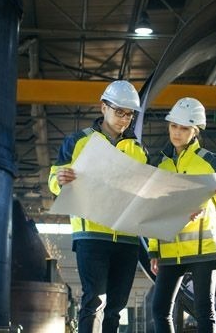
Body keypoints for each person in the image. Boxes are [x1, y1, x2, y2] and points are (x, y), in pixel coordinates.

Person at [48, 80, 148, 333]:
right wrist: (60, 181)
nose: (125, 119)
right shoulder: (78, 142)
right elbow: (54, 179)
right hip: (92, 235)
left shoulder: (138, 150)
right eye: (119, 112)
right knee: (95, 301)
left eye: (129, 114)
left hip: (127, 238)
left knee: (116, 307)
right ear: (103, 107)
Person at [148, 97, 216, 333]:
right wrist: (154, 250)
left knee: (204, 310)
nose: (177, 132)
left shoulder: (210, 162)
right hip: (169, 247)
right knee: (159, 309)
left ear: (196, 131)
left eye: (184, 128)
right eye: (174, 126)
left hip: (202, 248)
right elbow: (154, 211)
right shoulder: (161, 165)